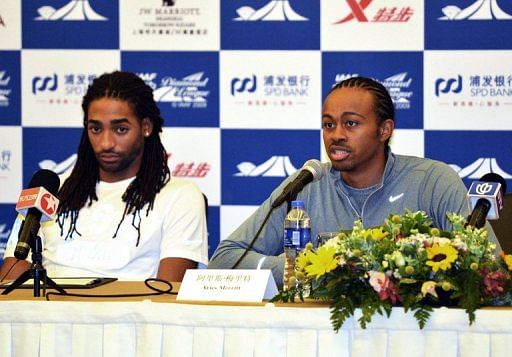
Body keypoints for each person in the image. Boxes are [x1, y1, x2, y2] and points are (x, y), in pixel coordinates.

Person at [208, 76, 501, 287]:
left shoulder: (433, 181)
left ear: (384, 129)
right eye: (328, 124)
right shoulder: (307, 185)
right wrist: (301, 269)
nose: (336, 134)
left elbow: (491, 267)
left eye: (351, 123)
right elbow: (225, 258)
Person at [0, 71, 208, 282]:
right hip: (42, 314)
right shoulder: (51, 190)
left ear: (146, 127)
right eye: (96, 128)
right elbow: (9, 285)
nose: (106, 142)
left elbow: (167, 293)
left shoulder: (181, 196)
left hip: (132, 314)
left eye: (120, 129)